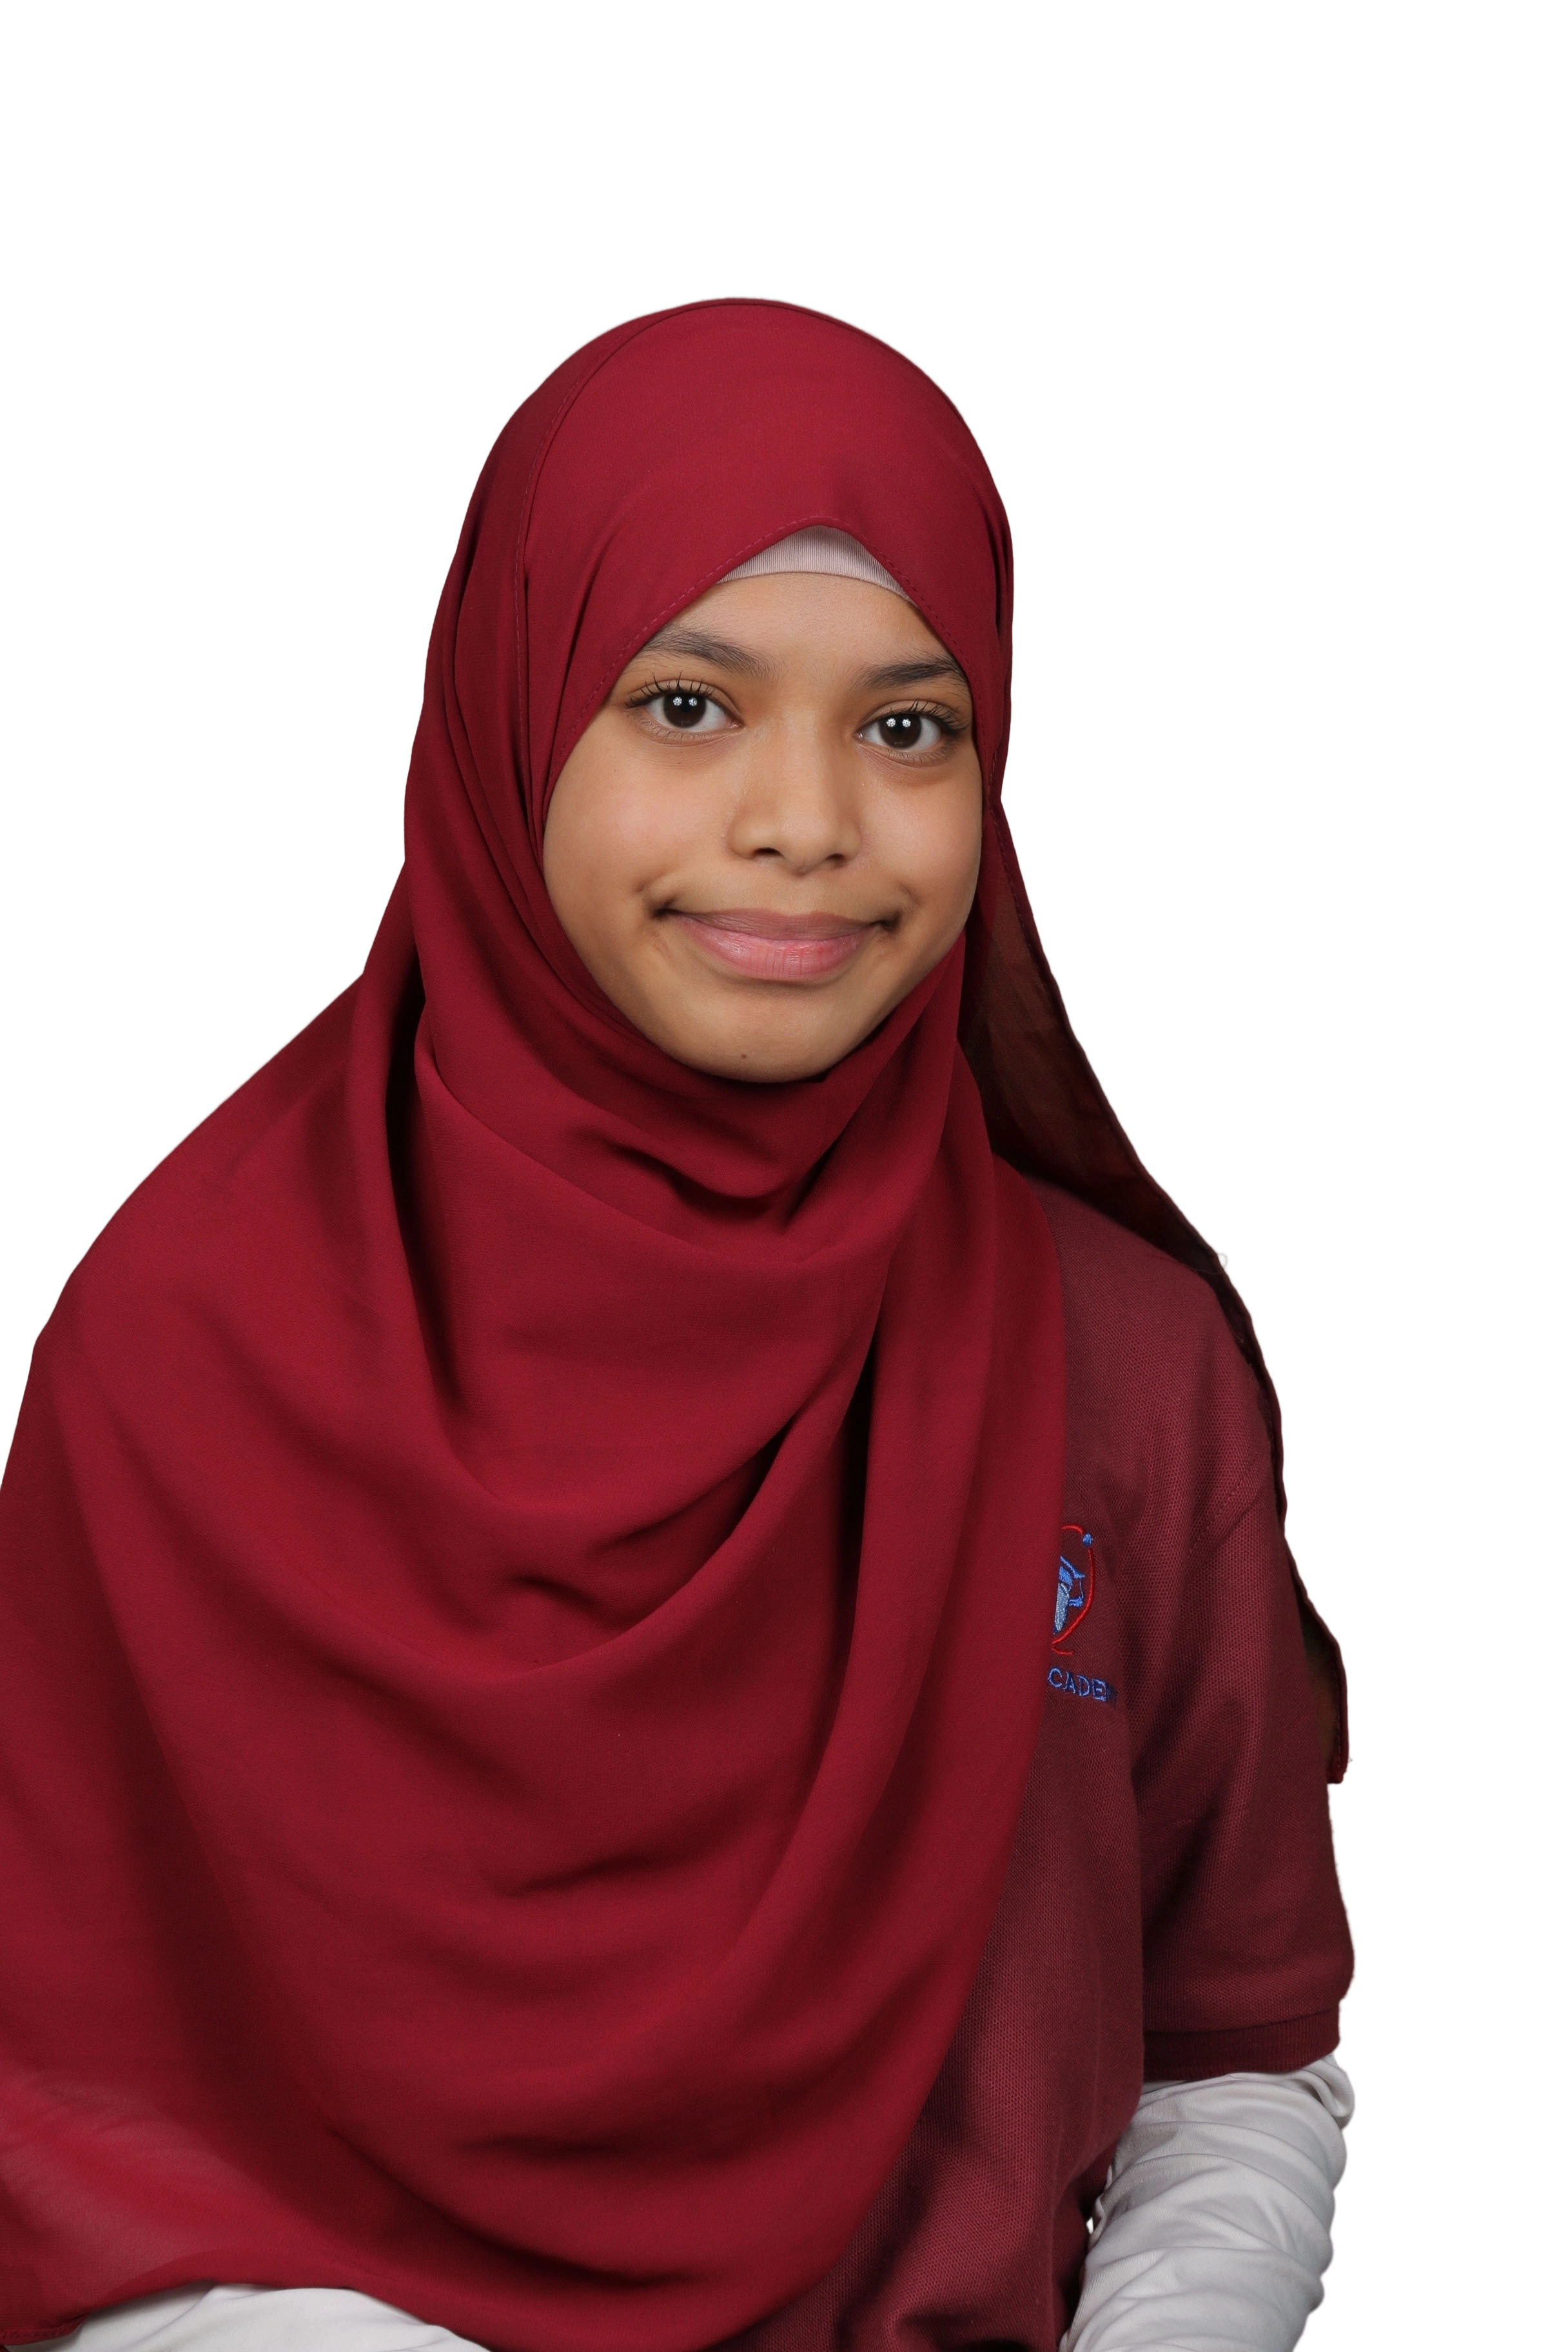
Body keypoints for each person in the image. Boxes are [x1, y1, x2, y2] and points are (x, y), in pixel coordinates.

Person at [0, 297, 1357, 2352]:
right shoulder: (183, 1349)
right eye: (689, 704)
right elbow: (68, 2106)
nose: (803, 819)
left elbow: (1234, 2050)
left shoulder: (1127, 1369)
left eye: (908, 728)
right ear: (507, 715)